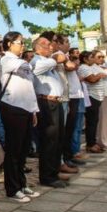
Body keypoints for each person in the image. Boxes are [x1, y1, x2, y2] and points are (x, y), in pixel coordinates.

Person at [0, 32, 40, 202]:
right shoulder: (7, 60)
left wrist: (34, 110)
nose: (22, 46)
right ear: (9, 44)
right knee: (13, 150)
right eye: (19, 43)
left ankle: (22, 184)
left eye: (23, 43)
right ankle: (12, 188)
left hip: (26, 108)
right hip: (13, 107)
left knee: (23, 151)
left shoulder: (22, 63)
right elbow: (28, 65)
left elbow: (29, 87)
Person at [30, 34, 71, 190]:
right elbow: (56, 60)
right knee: (49, 141)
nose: (51, 47)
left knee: (58, 139)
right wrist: (55, 58)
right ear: (38, 47)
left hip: (56, 102)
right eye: (47, 45)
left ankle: (54, 172)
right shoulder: (37, 61)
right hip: (46, 103)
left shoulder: (48, 63)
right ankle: (47, 176)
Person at [78, 50, 107, 153]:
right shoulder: (83, 67)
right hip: (91, 96)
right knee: (91, 121)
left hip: (97, 96)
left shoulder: (90, 67)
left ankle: (93, 142)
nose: (94, 59)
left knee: (94, 120)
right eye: (91, 57)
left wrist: (99, 75)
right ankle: (90, 144)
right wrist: (100, 75)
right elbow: (92, 79)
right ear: (85, 59)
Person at [64, 48, 87, 163]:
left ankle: (75, 151)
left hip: (78, 96)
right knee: (71, 128)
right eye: (75, 55)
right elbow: (70, 67)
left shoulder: (75, 67)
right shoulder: (65, 62)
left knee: (77, 126)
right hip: (71, 97)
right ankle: (72, 153)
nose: (78, 58)